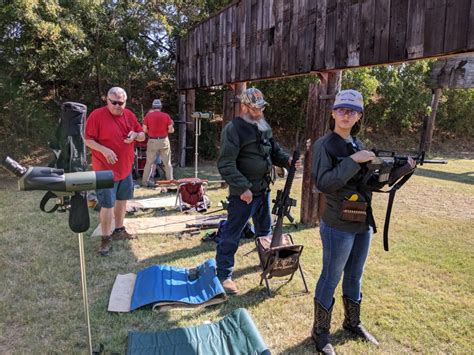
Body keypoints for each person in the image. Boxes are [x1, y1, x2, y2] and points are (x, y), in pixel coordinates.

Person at [310, 89, 414, 354]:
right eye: (342, 110)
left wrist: (401, 170)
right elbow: (323, 183)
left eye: (352, 111)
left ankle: (352, 322)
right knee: (331, 277)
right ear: (333, 112)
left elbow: (371, 182)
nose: (346, 115)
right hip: (338, 223)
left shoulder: (357, 144)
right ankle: (320, 332)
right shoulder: (325, 145)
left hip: (361, 220)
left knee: (355, 276)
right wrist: (353, 161)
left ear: (359, 117)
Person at [216, 87, 297, 295]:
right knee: (232, 234)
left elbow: (273, 149)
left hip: (263, 189)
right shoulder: (233, 129)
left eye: (261, 108)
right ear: (243, 107)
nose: (259, 112)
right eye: (254, 108)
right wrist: (242, 187)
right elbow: (226, 163)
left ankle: (267, 263)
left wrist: (286, 159)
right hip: (244, 194)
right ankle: (224, 274)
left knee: (265, 231)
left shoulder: (262, 125)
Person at [85, 87, 145, 256]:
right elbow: (87, 139)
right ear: (107, 100)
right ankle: (105, 239)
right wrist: (104, 150)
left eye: (122, 102)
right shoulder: (97, 115)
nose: (118, 106)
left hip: (125, 168)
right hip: (105, 171)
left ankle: (119, 230)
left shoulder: (129, 115)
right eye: (115, 102)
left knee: (122, 201)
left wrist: (135, 136)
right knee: (107, 205)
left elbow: (142, 135)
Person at [142, 98, 174, 186]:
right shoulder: (166, 116)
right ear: (160, 107)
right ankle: (170, 181)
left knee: (149, 162)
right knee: (167, 163)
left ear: (153, 107)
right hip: (164, 140)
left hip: (152, 140)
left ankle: (145, 182)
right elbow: (170, 130)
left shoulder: (148, 116)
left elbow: (144, 130)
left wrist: (151, 132)